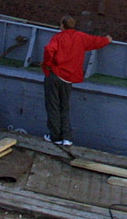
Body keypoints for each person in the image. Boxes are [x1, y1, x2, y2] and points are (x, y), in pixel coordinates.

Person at [42, 16, 112, 146]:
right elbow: (96, 41)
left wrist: (48, 64)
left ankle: (55, 137)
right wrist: (107, 40)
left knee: (53, 106)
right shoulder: (81, 37)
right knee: (64, 107)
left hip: (55, 74)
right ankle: (67, 138)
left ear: (62, 25)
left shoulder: (58, 38)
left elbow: (48, 49)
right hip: (69, 78)